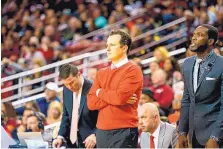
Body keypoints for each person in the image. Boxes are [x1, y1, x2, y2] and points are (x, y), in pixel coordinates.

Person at [87, 30, 143, 148]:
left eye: (112, 45)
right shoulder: (101, 73)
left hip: (124, 130)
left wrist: (99, 92)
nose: (107, 49)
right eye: (107, 45)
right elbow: (91, 103)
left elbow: (119, 98)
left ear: (124, 48)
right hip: (101, 130)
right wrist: (115, 97)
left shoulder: (133, 70)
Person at [178, 24, 223, 148]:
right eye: (194, 35)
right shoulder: (187, 64)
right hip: (193, 134)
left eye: (200, 35)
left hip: (216, 134)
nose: (194, 38)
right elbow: (186, 100)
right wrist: (182, 131)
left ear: (210, 41)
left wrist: (215, 136)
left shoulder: (221, 64)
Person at [53, 64, 98, 148]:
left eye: (72, 82)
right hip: (73, 141)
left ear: (79, 74)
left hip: (92, 142)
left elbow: (105, 116)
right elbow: (66, 115)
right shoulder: (66, 89)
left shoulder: (94, 88)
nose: (70, 87)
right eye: (66, 84)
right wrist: (60, 136)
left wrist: (96, 134)